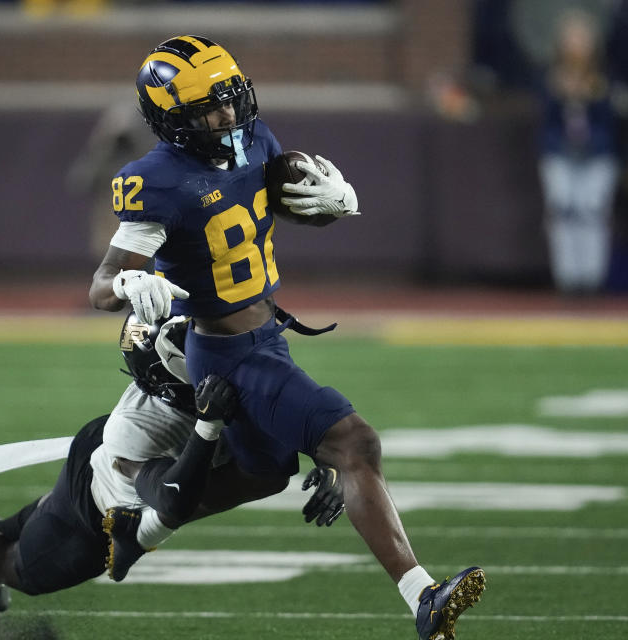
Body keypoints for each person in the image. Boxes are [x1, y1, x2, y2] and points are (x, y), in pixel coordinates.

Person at [87, 35, 485, 640]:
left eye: (230, 98)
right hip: (227, 353)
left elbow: (277, 206)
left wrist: (330, 204)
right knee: (355, 444)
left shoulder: (254, 139)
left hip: (268, 336)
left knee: (264, 471)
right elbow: (103, 285)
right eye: (207, 108)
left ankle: (137, 526)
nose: (225, 115)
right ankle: (422, 596)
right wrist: (134, 282)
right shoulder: (158, 181)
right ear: (170, 120)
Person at [0, 314, 293, 611]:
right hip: (111, 489)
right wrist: (209, 426)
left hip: (106, 457)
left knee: (48, 521)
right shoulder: (137, 435)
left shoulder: (187, 371)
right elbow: (172, 499)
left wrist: (332, 462)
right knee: (17, 569)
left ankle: (6, 527)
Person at [538, 9, 620, 295]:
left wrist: (588, 95)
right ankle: (567, 279)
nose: (576, 45)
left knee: (591, 212)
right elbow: (545, 124)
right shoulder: (551, 77)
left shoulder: (603, 78)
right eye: (572, 38)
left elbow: (611, 123)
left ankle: (591, 278)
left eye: (582, 39)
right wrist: (563, 94)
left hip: (596, 156)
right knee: (563, 212)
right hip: (561, 155)